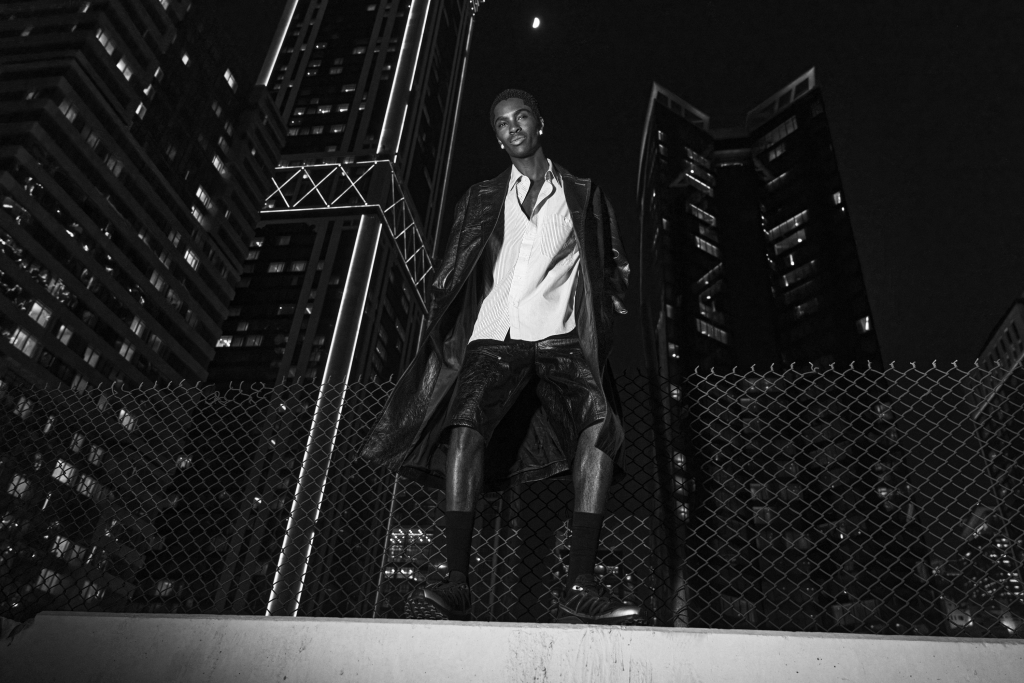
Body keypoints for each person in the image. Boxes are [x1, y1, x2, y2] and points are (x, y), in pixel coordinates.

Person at [359, 89, 644, 625]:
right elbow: (451, 267)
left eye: (521, 117)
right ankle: (457, 582)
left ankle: (580, 585)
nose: (512, 127)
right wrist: (443, 311)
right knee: (465, 429)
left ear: (540, 123)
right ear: (496, 137)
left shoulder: (582, 192)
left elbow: (614, 262)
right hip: (494, 333)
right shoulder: (482, 197)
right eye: (501, 123)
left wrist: (608, 305)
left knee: (601, 425)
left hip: (561, 333)